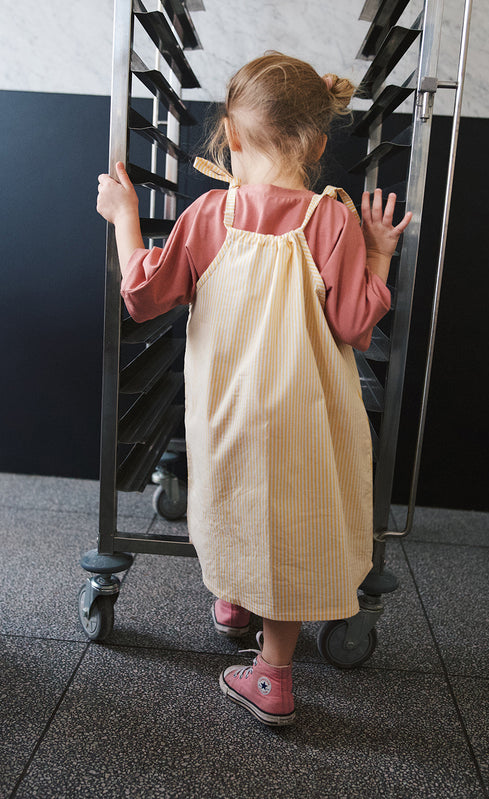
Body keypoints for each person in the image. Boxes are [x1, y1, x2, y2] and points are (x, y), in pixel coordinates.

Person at [97, 51, 412, 727]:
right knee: (290, 524)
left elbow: (143, 296)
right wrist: (380, 252)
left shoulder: (209, 214)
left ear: (231, 136)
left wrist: (125, 217)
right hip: (307, 418)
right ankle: (263, 645)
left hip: (227, 414)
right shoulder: (332, 220)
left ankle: (266, 663)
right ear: (319, 144)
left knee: (235, 502)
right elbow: (355, 324)